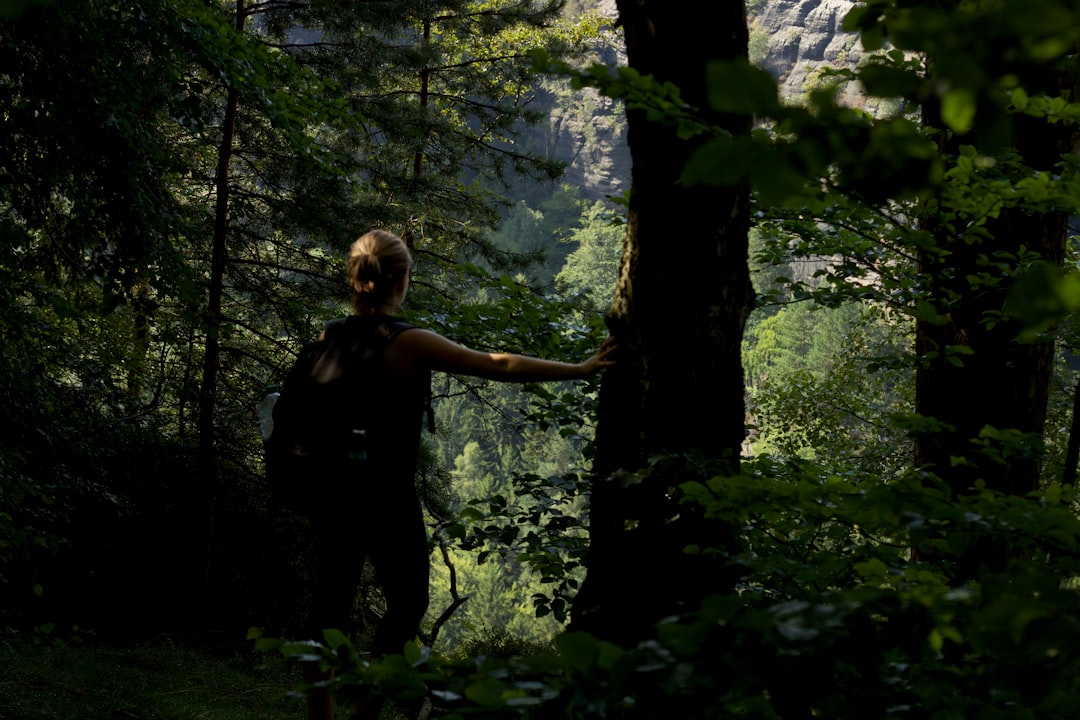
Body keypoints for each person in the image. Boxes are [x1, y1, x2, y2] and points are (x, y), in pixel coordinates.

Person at [302, 228, 615, 720]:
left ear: (354, 278)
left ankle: (320, 711)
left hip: (333, 489)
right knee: (406, 603)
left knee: (330, 602)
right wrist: (580, 368)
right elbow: (499, 364)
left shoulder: (330, 335)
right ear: (402, 280)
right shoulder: (408, 342)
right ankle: (366, 710)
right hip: (386, 495)